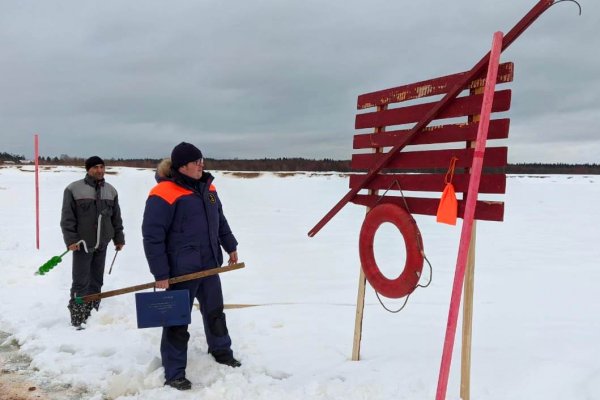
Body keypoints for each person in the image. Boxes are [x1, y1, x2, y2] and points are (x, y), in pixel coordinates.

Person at [142, 142, 241, 391]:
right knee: (176, 322)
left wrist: (230, 246)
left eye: (201, 160)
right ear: (182, 166)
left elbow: (220, 220)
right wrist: (161, 274)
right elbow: (152, 236)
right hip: (180, 271)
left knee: (215, 312)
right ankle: (175, 372)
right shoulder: (163, 193)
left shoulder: (209, 188)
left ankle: (221, 351)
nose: (201, 165)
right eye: (196, 162)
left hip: (209, 266)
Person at [60, 156, 125, 328]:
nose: (100, 170)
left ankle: (93, 313)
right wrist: (71, 240)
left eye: (102, 167)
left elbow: (116, 218)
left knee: (96, 280)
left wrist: (118, 238)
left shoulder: (111, 191)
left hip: (102, 243)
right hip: (82, 244)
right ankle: (78, 317)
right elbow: (67, 218)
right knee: (81, 282)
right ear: (88, 169)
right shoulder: (73, 189)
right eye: (96, 167)